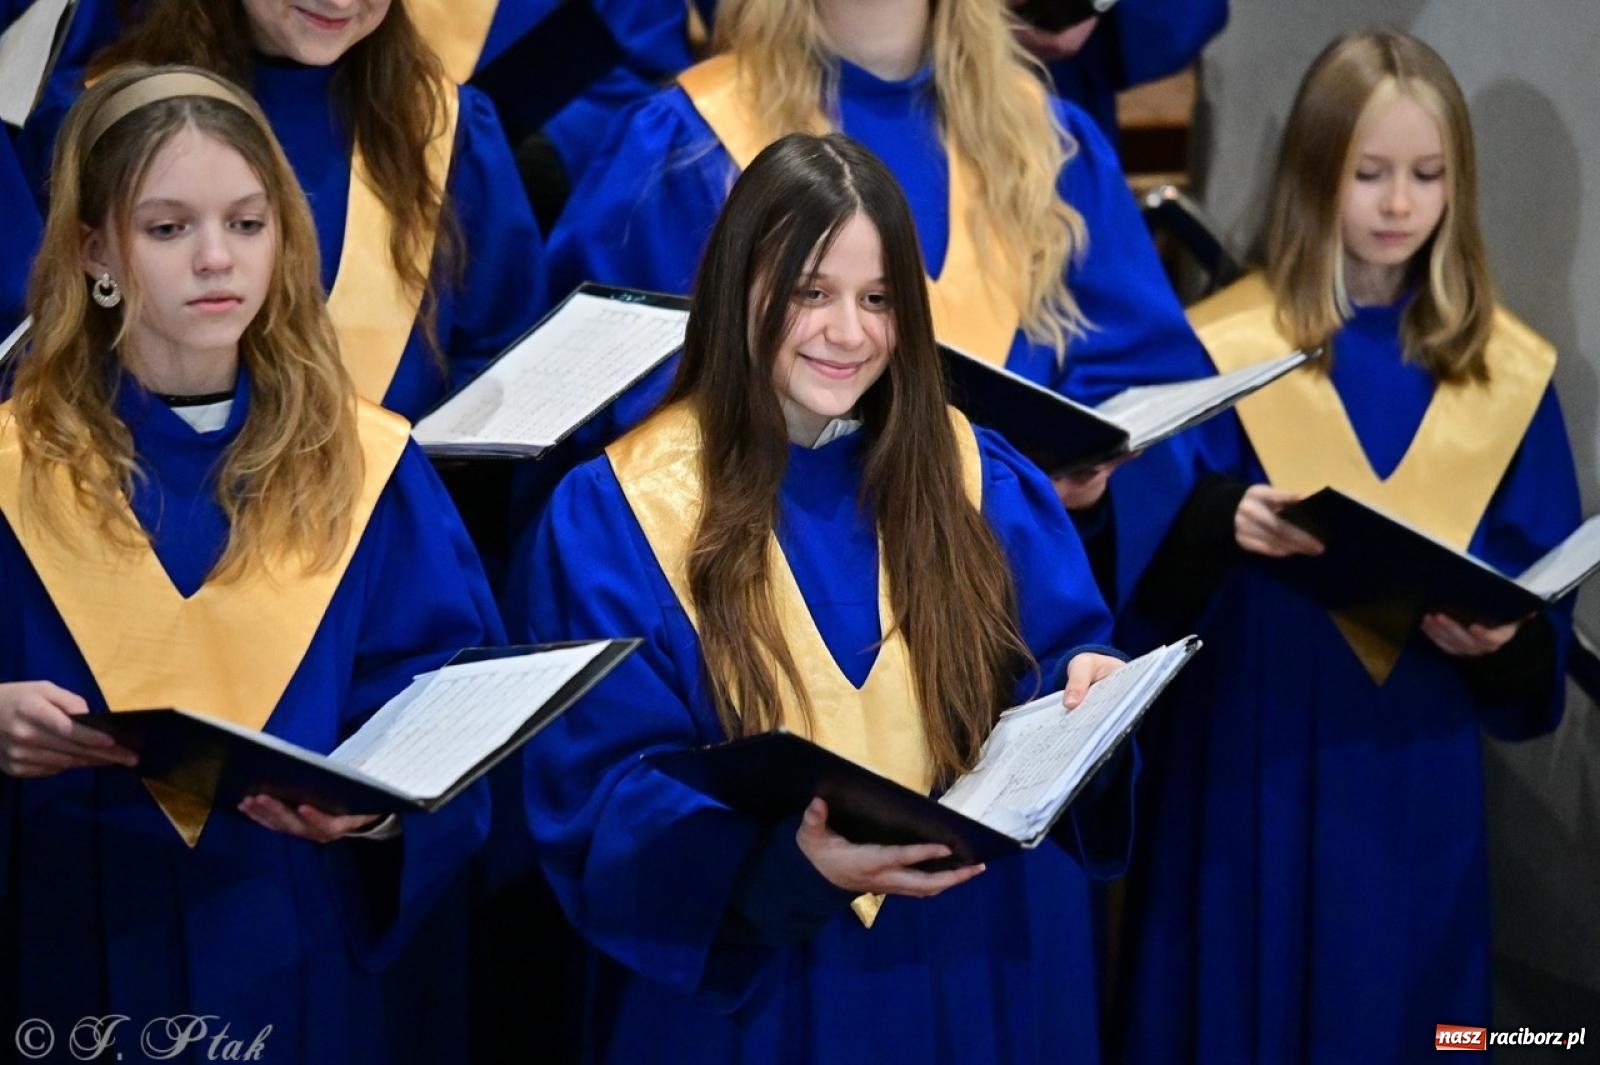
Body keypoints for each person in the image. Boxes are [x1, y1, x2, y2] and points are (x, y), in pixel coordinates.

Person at [511, 131, 1138, 1064]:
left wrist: (1092, 685)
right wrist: (781, 869)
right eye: (811, 292)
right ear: (738, 290)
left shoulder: (977, 477)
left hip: (967, 959)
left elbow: (1058, 662)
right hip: (750, 991)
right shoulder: (618, 513)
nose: (849, 332)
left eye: (878, 298)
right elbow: (599, 787)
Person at [0, 65, 500, 1062]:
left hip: (294, 952)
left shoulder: (368, 470)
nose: (215, 258)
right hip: (59, 947)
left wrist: (372, 816)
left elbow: (441, 716)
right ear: (95, 250)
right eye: (167, 227)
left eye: (246, 222)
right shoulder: (14, 467)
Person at [1113, 32, 1582, 1062]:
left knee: (1400, 1013)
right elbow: (1133, 581)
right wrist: (1217, 521)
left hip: (1411, 771)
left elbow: (1541, 617)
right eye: (1369, 174)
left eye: (1427, 175)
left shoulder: (1503, 373)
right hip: (1247, 755)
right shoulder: (1219, 348)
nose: (1399, 204)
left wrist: (1503, 642)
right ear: (1315, 171)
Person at [545, 0, 1214, 611]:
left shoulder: (1046, 141)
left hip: (1012, 581)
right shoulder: (690, 142)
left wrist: (1069, 482)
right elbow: (626, 399)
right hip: (772, 585)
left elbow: (1142, 374)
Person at [22, 0, 548, 422]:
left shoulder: (440, 131)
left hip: (384, 506)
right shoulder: (100, 123)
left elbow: (499, 353)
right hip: (128, 497)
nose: (340, 2)